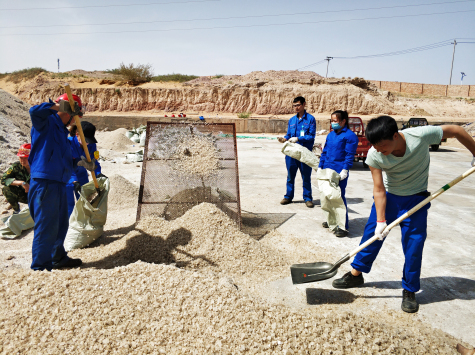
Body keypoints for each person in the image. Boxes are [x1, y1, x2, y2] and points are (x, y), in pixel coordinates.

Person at [332, 115, 475, 313]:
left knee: (414, 244)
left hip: (417, 198)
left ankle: (409, 289)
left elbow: (457, 131)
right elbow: (379, 189)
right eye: (376, 147)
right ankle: (356, 274)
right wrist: (381, 220)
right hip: (389, 197)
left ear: (396, 136)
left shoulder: (420, 136)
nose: (380, 151)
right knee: (372, 234)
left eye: (383, 146)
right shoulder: (374, 154)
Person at [28, 93, 96, 271]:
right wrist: (61, 106)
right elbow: (34, 111)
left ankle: (57, 258)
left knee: (60, 224)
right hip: (44, 182)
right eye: (74, 115)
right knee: (46, 226)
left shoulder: (63, 132)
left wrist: (80, 162)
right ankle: (40, 268)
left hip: (59, 182)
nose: (74, 121)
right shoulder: (46, 122)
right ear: (69, 110)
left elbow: (65, 161)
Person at [318, 110, 358, 237]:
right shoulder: (330, 135)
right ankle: (332, 220)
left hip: (339, 171)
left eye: (335, 121)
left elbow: (349, 155)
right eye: (332, 120)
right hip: (327, 170)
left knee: (338, 197)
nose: (333, 123)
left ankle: (342, 225)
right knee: (327, 196)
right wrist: (320, 166)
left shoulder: (350, 136)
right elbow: (324, 152)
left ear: (343, 121)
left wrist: (345, 169)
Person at [278, 96, 316, 208]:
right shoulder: (292, 120)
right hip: (292, 153)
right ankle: (288, 197)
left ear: (304, 104)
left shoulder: (310, 119)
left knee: (306, 176)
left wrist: (299, 138)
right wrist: (284, 139)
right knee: (290, 176)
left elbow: (311, 136)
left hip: (304, 153)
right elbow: (289, 135)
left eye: (298, 105)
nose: (296, 108)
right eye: (294, 106)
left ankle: (308, 198)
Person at [67, 121, 103, 217]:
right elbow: (67, 165)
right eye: (85, 140)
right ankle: (69, 224)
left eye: (89, 140)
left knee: (84, 199)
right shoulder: (68, 143)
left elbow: (94, 161)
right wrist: (73, 181)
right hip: (68, 175)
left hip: (81, 173)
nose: (87, 143)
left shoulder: (91, 145)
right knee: (68, 203)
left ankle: (84, 220)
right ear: (77, 134)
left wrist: (98, 173)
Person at [1, 144, 31, 214]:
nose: (22, 160)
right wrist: (22, 183)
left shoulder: (39, 167)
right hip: (24, 195)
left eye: (25, 158)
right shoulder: (16, 166)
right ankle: (16, 211)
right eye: (20, 157)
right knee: (6, 189)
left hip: (38, 196)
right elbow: (3, 180)